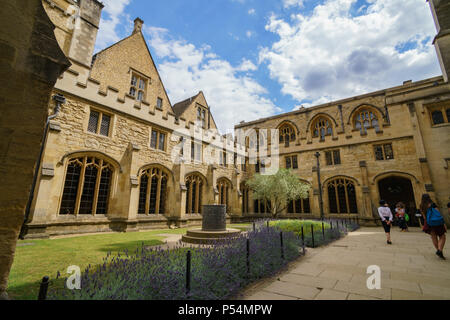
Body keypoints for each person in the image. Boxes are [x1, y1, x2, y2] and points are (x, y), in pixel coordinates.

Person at [420, 194, 446, 260]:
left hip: (428, 222)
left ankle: (439, 250)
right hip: (436, 222)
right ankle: (440, 250)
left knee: (434, 237)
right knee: (442, 236)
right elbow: (438, 214)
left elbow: (424, 216)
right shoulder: (432, 204)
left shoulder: (422, 206)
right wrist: (443, 223)